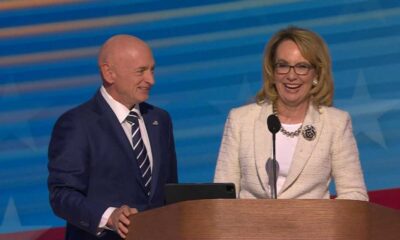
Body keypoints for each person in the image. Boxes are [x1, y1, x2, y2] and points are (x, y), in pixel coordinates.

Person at [214, 26, 368, 201]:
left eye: (302, 67)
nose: (291, 76)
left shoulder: (336, 123)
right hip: (251, 227)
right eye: (283, 65)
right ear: (272, 71)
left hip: (312, 226)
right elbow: (223, 196)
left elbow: (354, 194)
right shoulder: (241, 120)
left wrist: (324, 223)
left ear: (316, 73)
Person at [48, 34, 178, 240]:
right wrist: (109, 217)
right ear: (109, 73)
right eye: (140, 71)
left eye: (152, 70)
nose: (151, 80)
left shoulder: (160, 120)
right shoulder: (77, 124)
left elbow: (169, 192)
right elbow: (62, 196)